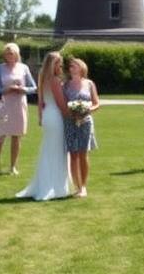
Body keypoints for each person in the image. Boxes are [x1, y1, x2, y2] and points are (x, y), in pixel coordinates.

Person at [16, 52, 71, 201]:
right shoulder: (54, 80)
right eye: (59, 64)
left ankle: (46, 183)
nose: (61, 66)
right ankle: (55, 186)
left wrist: (41, 117)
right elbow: (60, 103)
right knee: (57, 151)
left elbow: (40, 101)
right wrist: (72, 115)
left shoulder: (42, 78)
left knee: (48, 150)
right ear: (53, 64)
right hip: (55, 116)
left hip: (47, 115)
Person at [0, 43, 37, 176]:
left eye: (11, 53)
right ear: (4, 55)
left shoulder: (24, 68)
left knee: (16, 137)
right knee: (0, 136)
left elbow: (34, 87)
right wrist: (7, 89)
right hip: (4, 104)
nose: (9, 55)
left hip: (18, 104)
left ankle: (13, 167)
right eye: (7, 53)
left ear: (17, 54)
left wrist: (22, 89)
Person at [63, 57, 100, 198]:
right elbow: (64, 104)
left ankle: (83, 187)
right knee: (73, 154)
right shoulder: (65, 85)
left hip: (86, 121)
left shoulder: (89, 84)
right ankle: (77, 187)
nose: (71, 67)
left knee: (83, 153)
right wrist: (72, 112)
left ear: (81, 67)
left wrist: (87, 110)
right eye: (70, 66)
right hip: (70, 122)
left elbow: (97, 103)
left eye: (74, 65)